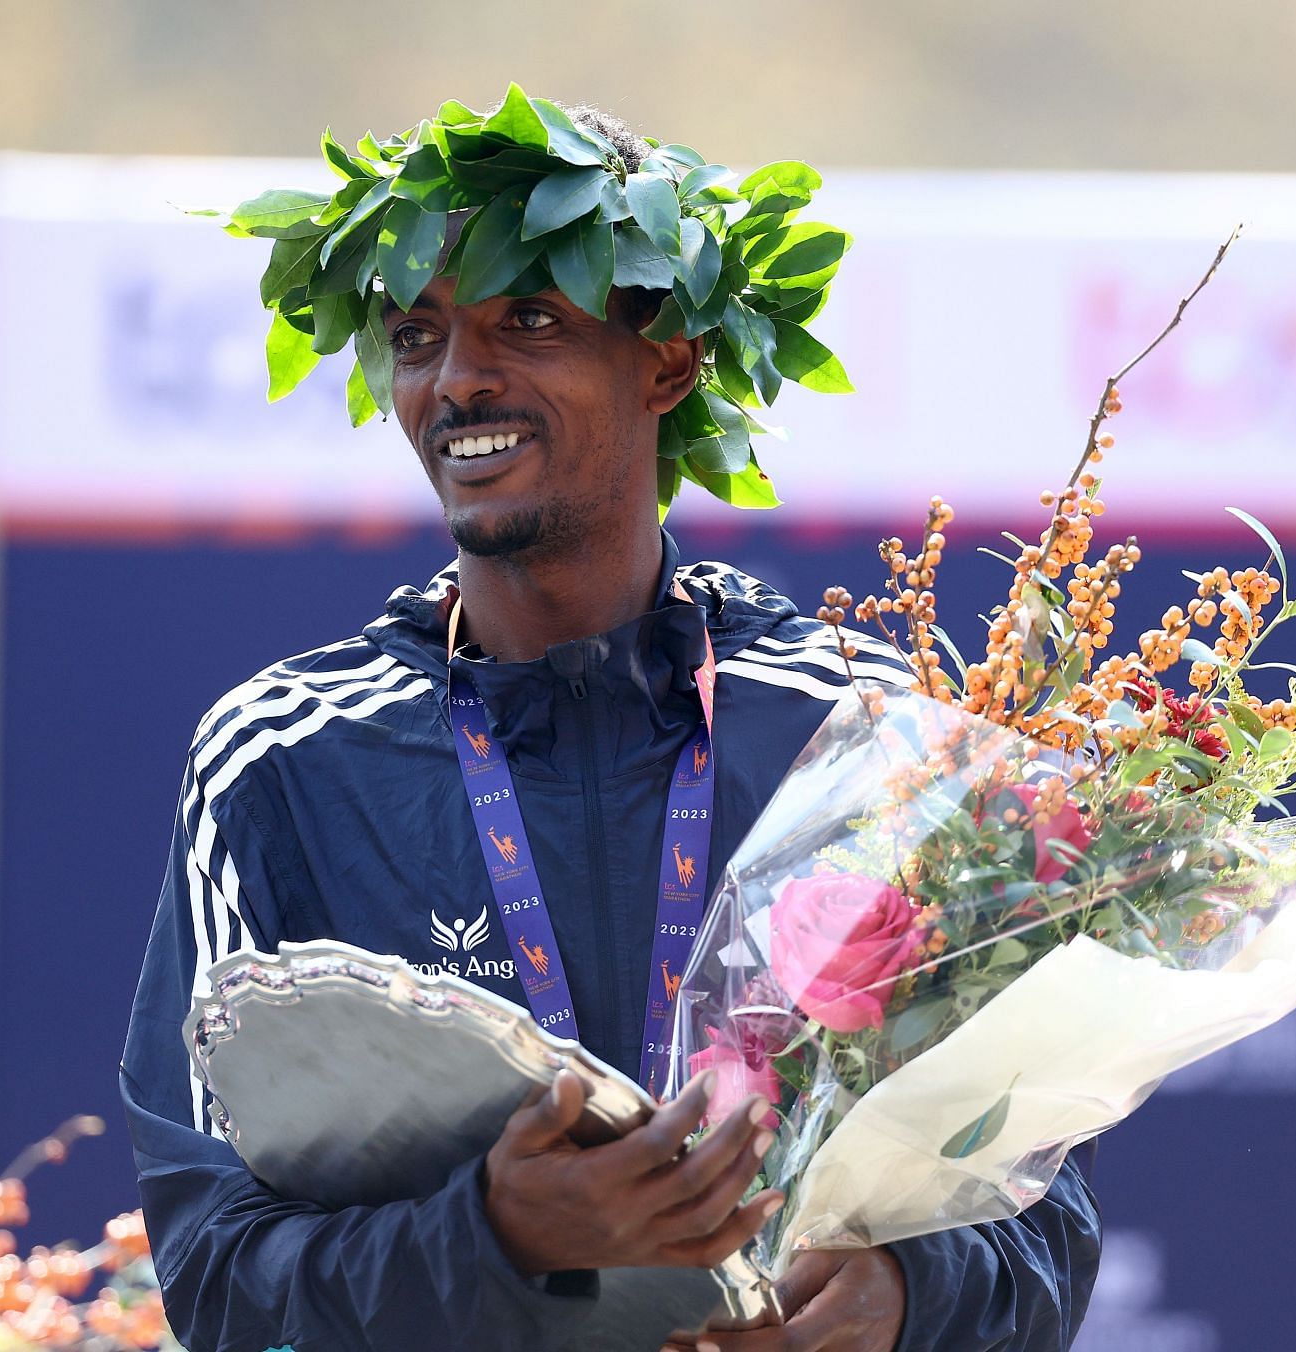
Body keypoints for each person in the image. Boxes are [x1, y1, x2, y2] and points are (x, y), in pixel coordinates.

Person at [120, 100, 1101, 1351]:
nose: (457, 375)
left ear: (670, 359)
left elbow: (1041, 1208)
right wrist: (500, 1239)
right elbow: (214, 1269)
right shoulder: (288, 759)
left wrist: (903, 1299)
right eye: (418, 335)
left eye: (528, 319)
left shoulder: (860, 732)